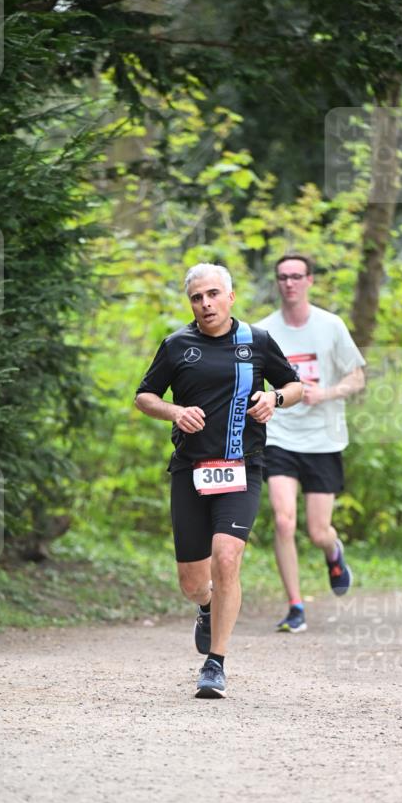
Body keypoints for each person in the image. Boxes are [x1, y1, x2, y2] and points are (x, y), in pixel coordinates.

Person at [135, 263, 303, 699]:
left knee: (226, 558)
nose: (205, 303)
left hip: (241, 467)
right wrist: (174, 411)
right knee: (193, 581)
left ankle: (216, 663)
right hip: (191, 470)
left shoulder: (257, 342)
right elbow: (144, 396)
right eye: (197, 297)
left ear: (230, 296)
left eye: (213, 294)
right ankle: (206, 607)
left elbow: (295, 385)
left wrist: (275, 397)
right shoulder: (177, 345)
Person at [256, 252, 365, 634]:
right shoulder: (263, 331)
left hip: (323, 440)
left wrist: (328, 393)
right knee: (284, 522)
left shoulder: (331, 326)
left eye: (297, 276)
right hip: (279, 437)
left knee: (319, 531)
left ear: (309, 281)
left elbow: (358, 379)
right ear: (277, 282)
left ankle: (334, 554)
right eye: (283, 277)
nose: (289, 283)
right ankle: (295, 607)